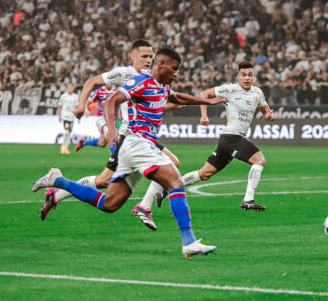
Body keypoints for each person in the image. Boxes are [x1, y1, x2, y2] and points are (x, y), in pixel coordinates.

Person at [32, 48, 227, 258]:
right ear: (161, 65)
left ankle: (59, 181)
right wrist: (112, 129)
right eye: (175, 68)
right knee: (175, 182)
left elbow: (179, 97)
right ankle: (188, 241)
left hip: (139, 147)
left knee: (110, 204)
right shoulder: (141, 81)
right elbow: (111, 101)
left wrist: (208, 101)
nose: (177, 74)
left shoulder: (162, 86)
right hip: (137, 143)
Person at [38, 40, 182, 231]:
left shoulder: (155, 80)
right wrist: (82, 105)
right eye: (144, 56)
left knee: (170, 164)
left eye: (151, 56)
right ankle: (143, 207)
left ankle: (57, 193)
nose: (148, 60)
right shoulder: (124, 74)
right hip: (128, 138)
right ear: (133, 56)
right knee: (104, 181)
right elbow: (92, 82)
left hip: (145, 137)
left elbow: (156, 104)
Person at [181, 61, 275, 211]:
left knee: (204, 174)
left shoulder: (257, 93)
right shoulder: (230, 89)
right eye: (243, 75)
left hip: (229, 139)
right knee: (259, 160)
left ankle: (168, 186)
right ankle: (248, 199)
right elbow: (204, 94)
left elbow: (266, 113)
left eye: (250, 75)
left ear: (253, 76)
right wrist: (204, 116)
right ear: (238, 76)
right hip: (232, 137)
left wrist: (269, 116)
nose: (247, 78)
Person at [75, 84, 117, 153]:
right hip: (101, 119)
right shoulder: (99, 91)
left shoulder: (116, 90)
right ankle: (115, 161)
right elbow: (88, 100)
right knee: (111, 137)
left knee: (102, 143)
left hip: (112, 120)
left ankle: (83, 143)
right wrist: (86, 109)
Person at [57, 84, 79, 154]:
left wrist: (78, 117)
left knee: (69, 133)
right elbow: (59, 106)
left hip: (72, 117)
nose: (70, 89)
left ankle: (66, 148)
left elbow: (77, 107)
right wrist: (59, 116)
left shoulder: (75, 96)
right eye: (69, 88)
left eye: (71, 88)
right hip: (65, 116)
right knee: (66, 131)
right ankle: (63, 146)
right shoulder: (63, 96)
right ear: (67, 89)